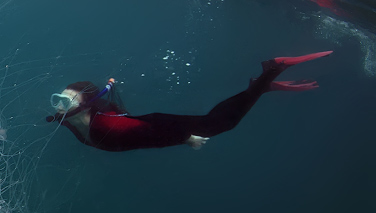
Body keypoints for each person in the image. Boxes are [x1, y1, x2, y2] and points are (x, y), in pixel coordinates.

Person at [47, 51, 332, 151]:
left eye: (65, 101)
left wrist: (185, 138)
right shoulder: (68, 120)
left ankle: (271, 70)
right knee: (215, 121)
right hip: (146, 124)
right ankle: (262, 87)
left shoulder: (106, 126)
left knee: (221, 124)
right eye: (58, 99)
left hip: (155, 126)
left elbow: (150, 136)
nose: (58, 105)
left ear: (86, 105)